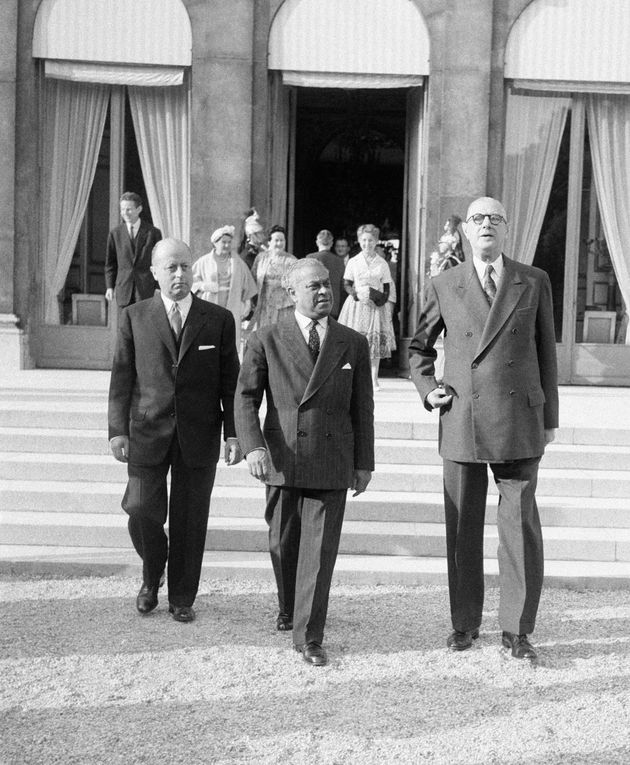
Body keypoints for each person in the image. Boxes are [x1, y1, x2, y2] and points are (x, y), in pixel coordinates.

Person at [408, 197, 559, 660]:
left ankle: (517, 631)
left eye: (495, 217)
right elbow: (418, 345)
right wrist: (427, 386)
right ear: (466, 232)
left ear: (507, 228)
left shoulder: (532, 280)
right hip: (463, 418)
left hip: (519, 418)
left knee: (519, 528)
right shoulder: (445, 282)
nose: (487, 225)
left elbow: (545, 351)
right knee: (462, 528)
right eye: (478, 219)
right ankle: (464, 624)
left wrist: (549, 416)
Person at [235, 258, 374, 667]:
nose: (324, 292)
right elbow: (245, 398)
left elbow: (361, 407)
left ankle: (310, 635)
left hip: (332, 458)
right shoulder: (266, 339)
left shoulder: (352, 342)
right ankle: (288, 605)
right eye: (313, 286)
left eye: (327, 285)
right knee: (283, 544)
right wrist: (253, 447)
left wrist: (363, 462)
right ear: (290, 293)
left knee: (320, 551)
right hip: (283, 458)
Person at [108, 238, 242, 623]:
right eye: (171, 267)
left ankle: (182, 596)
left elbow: (230, 383)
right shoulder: (134, 316)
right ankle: (153, 572)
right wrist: (117, 429)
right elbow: (122, 377)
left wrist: (234, 433)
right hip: (147, 431)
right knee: (140, 510)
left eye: (185, 266)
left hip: (198, 434)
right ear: (154, 272)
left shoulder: (217, 319)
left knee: (190, 517)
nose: (179, 274)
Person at [338, 224, 396, 392]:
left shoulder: (382, 263)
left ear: (376, 241)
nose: (367, 243)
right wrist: (355, 294)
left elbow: (387, 286)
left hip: (375, 307)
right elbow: (347, 283)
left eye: (370, 240)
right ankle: (352, 377)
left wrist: (382, 299)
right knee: (354, 341)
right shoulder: (354, 261)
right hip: (356, 305)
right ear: (359, 241)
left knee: (374, 342)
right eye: (363, 240)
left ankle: (374, 378)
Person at [192, 225, 257, 356]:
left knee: (229, 339)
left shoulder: (238, 262)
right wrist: (203, 286)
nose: (227, 245)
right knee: (209, 338)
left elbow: (248, 285)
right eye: (223, 242)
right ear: (215, 243)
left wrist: (246, 304)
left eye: (229, 242)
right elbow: (191, 281)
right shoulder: (203, 262)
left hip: (231, 306)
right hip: (210, 303)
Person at [105, 192, 162, 309]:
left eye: (129, 209)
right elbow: (110, 263)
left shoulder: (153, 233)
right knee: (125, 326)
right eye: (122, 209)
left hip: (146, 290)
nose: (125, 213)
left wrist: (158, 288)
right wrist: (110, 287)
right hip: (124, 290)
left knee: (143, 325)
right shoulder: (115, 234)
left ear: (139, 209)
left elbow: (159, 262)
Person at [248, 225, 297, 330]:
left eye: (282, 240)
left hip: (284, 307)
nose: (279, 243)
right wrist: (251, 301)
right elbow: (252, 279)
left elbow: (297, 285)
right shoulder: (261, 258)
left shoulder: (292, 261)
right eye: (276, 240)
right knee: (264, 334)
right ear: (269, 242)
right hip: (264, 304)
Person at [307, 229, 346, 318]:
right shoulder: (339, 261)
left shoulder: (310, 258)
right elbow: (343, 287)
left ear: (317, 242)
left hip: (314, 305)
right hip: (333, 307)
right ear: (331, 243)